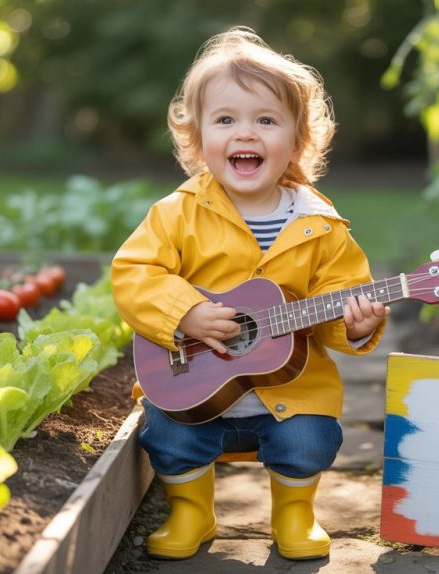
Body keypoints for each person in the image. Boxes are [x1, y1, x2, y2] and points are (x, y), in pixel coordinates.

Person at [111, 26, 389, 561]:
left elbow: (340, 295)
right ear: (197, 138)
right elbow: (133, 272)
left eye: (266, 120)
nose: (247, 133)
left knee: (309, 440)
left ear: (297, 139)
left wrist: (356, 324)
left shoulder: (322, 226)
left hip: (291, 393)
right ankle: (192, 510)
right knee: (166, 435)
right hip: (195, 389)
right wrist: (185, 312)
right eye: (226, 120)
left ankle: (294, 513)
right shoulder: (177, 213)